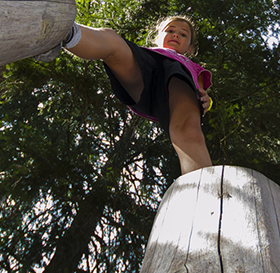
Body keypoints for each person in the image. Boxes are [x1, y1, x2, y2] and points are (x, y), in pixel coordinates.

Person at [43, 16, 212, 175]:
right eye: (170, 30)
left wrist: (207, 101)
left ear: (189, 48)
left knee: (188, 128)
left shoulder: (194, 68)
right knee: (113, 41)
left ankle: (202, 189)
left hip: (176, 82)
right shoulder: (143, 53)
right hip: (147, 67)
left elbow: (202, 93)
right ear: (157, 36)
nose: (175, 34)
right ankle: (62, 32)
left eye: (183, 34)